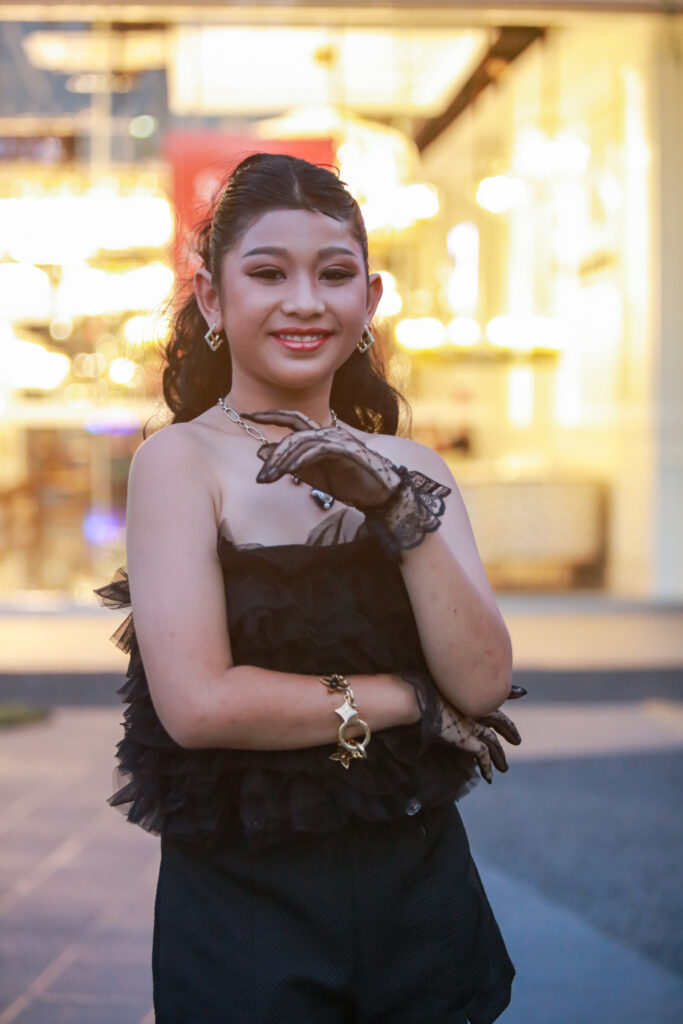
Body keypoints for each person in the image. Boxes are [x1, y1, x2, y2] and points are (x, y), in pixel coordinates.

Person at [95, 152, 525, 1024]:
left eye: (333, 275)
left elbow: (481, 684)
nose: (304, 301)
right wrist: (411, 698)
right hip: (248, 903)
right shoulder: (179, 462)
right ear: (212, 299)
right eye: (267, 273)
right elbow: (200, 706)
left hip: (421, 888)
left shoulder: (413, 467)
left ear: (369, 300)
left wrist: (398, 512)